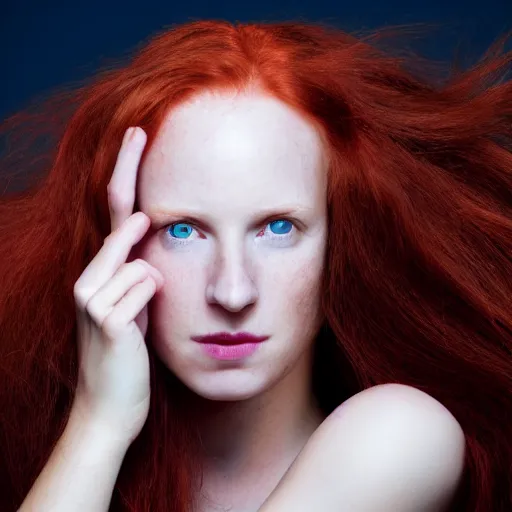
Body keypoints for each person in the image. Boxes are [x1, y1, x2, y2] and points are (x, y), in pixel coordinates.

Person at [0, 19, 510, 512]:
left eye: (279, 228)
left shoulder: (402, 436)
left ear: (340, 243)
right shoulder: (48, 442)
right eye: (182, 230)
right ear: (120, 248)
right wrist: (97, 423)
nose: (232, 292)